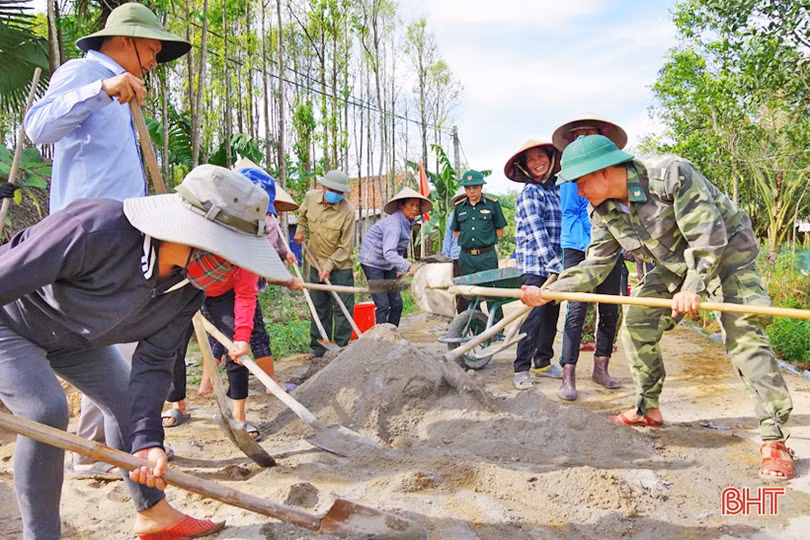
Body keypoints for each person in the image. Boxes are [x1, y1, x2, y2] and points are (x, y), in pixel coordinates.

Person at [0, 165, 294, 539]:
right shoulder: (92, 229)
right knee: (45, 410)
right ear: (196, 235)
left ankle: (153, 513)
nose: (234, 270)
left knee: (128, 403)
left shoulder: (189, 288)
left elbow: (155, 362)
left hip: (75, 338)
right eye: (231, 256)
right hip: (11, 322)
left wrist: (148, 443)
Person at [521, 134, 795, 480]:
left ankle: (774, 439)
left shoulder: (671, 175)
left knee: (743, 337)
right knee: (637, 323)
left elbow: (707, 239)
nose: (577, 191)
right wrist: (549, 293)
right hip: (674, 265)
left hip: (727, 255)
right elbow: (596, 266)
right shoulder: (602, 211)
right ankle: (647, 408)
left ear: (605, 171)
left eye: (580, 181)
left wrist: (694, 288)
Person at [23, 2, 191, 480]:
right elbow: (38, 128)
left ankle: (101, 449)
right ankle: (96, 451)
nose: (154, 62)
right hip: (85, 240)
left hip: (126, 233)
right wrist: (100, 89)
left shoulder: (126, 92)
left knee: (122, 344)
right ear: (126, 40)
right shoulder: (83, 72)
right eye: (152, 50)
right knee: (111, 337)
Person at [552, 119, 627, 400]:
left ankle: (601, 367)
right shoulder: (570, 177)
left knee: (610, 309)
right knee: (576, 310)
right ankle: (568, 374)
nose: (583, 139)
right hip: (577, 246)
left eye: (589, 135)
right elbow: (570, 212)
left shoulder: (610, 173)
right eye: (578, 135)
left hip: (611, 245)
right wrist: (590, 247)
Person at [504, 141, 563, 389]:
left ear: (551, 159)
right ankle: (521, 368)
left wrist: (560, 265)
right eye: (531, 160)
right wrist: (553, 263)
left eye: (541, 156)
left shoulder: (556, 191)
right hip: (535, 265)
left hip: (556, 264)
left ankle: (543, 362)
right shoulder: (531, 192)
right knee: (534, 316)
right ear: (525, 167)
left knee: (551, 315)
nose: (538, 162)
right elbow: (537, 231)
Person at [293, 170, 356, 358]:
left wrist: (328, 267)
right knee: (319, 306)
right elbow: (302, 216)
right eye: (332, 190)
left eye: (340, 192)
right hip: (314, 261)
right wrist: (299, 230)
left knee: (342, 308)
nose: (336, 194)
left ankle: (341, 348)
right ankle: (319, 348)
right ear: (323, 187)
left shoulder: (348, 212)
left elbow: (345, 247)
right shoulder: (311, 198)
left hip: (340, 266)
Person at [359, 187, 432, 326]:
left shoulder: (406, 223)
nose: (415, 209)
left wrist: (398, 268)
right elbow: (389, 252)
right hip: (372, 262)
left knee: (397, 304)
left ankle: (393, 336)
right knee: (383, 305)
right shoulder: (394, 224)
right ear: (401, 205)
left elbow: (398, 248)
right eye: (411, 205)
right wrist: (409, 266)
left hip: (388, 264)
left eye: (417, 205)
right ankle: (381, 340)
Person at [451, 170, 507, 325]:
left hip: (487, 256)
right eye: (468, 188)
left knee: (493, 294)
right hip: (466, 258)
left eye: (475, 187)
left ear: (481, 187)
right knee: (470, 295)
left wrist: (485, 239)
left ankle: (497, 329)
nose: (471, 191)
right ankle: (478, 328)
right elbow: (456, 232)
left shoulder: (492, 205)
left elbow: (501, 230)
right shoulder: (459, 208)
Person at [442, 187, 467, 313]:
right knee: (460, 291)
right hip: (457, 257)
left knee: (468, 291)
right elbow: (448, 239)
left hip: (470, 257)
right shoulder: (453, 216)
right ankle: (464, 322)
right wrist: (446, 261)